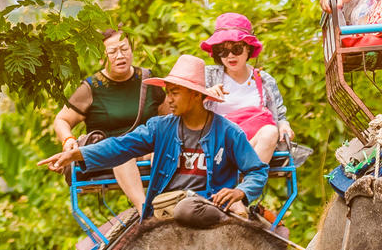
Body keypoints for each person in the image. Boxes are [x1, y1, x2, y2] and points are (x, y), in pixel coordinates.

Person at [39, 55, 268, 220]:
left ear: (197, 95)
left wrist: (241, 192)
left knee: (188, 210)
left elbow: (257, 170)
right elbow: (121, 146)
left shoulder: (228, 132)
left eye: (175, 93)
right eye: (167, 92)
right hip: (167, 206)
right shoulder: (160, 127)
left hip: (206, 207)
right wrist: (77, 154)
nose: (168, 99)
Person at [52, 28, 164, 209]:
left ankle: (168, 202)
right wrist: (68, 140)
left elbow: (171, 118)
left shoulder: (148, 80)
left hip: (146, 149)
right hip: (112, 153)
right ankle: (144, 209)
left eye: (124, 49)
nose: (120, 56)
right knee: (121, 152)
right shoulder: (92, 87)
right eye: (112, 52)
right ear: (101, 57)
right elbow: (62, 120)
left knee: (165, 146)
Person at [200, 13, 292, 163]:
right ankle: (246, 178)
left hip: (255, 146)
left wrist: (283, 125)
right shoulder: (207, 76)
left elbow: (280, 117)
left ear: (248, 48)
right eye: (222, 50)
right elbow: (186, 109)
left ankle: (247, 184)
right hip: (217, 147)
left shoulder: (265, 80)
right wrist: (204, 96)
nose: (230, 56)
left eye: (236, 49)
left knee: (270, 131)